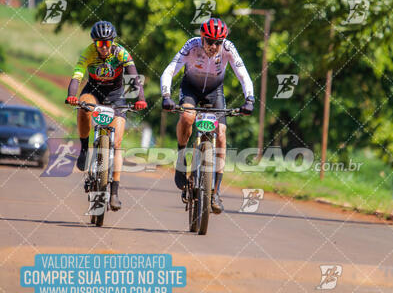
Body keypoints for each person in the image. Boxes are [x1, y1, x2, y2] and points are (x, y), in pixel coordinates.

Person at [160, 17, 254, 213]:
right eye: (210, 41)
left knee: (221, 133)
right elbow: (170, 70)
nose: (213, 46)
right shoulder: (191, 46)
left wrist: (250, 99)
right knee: (187, 117)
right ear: (202, 38)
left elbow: (243, 74)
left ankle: (215, 192)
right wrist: (166, 95)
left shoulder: (228, 48)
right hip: (191, 90)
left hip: (214, 92)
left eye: (217, 42)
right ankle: (180, 158)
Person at [65, 21, 147, 210]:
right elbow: (77, 76)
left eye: (107, 43)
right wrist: (71, 95)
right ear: (94, 43)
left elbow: (133, 77)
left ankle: (115, 192)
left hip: (116, 95)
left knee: (116, 144)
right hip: (93, 91)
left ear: (112, 41)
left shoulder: (121, 53)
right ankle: (85, 148)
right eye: (99, 43)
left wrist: (139, 98)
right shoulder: (88, 52)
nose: (103, 47)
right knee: (84, 106)